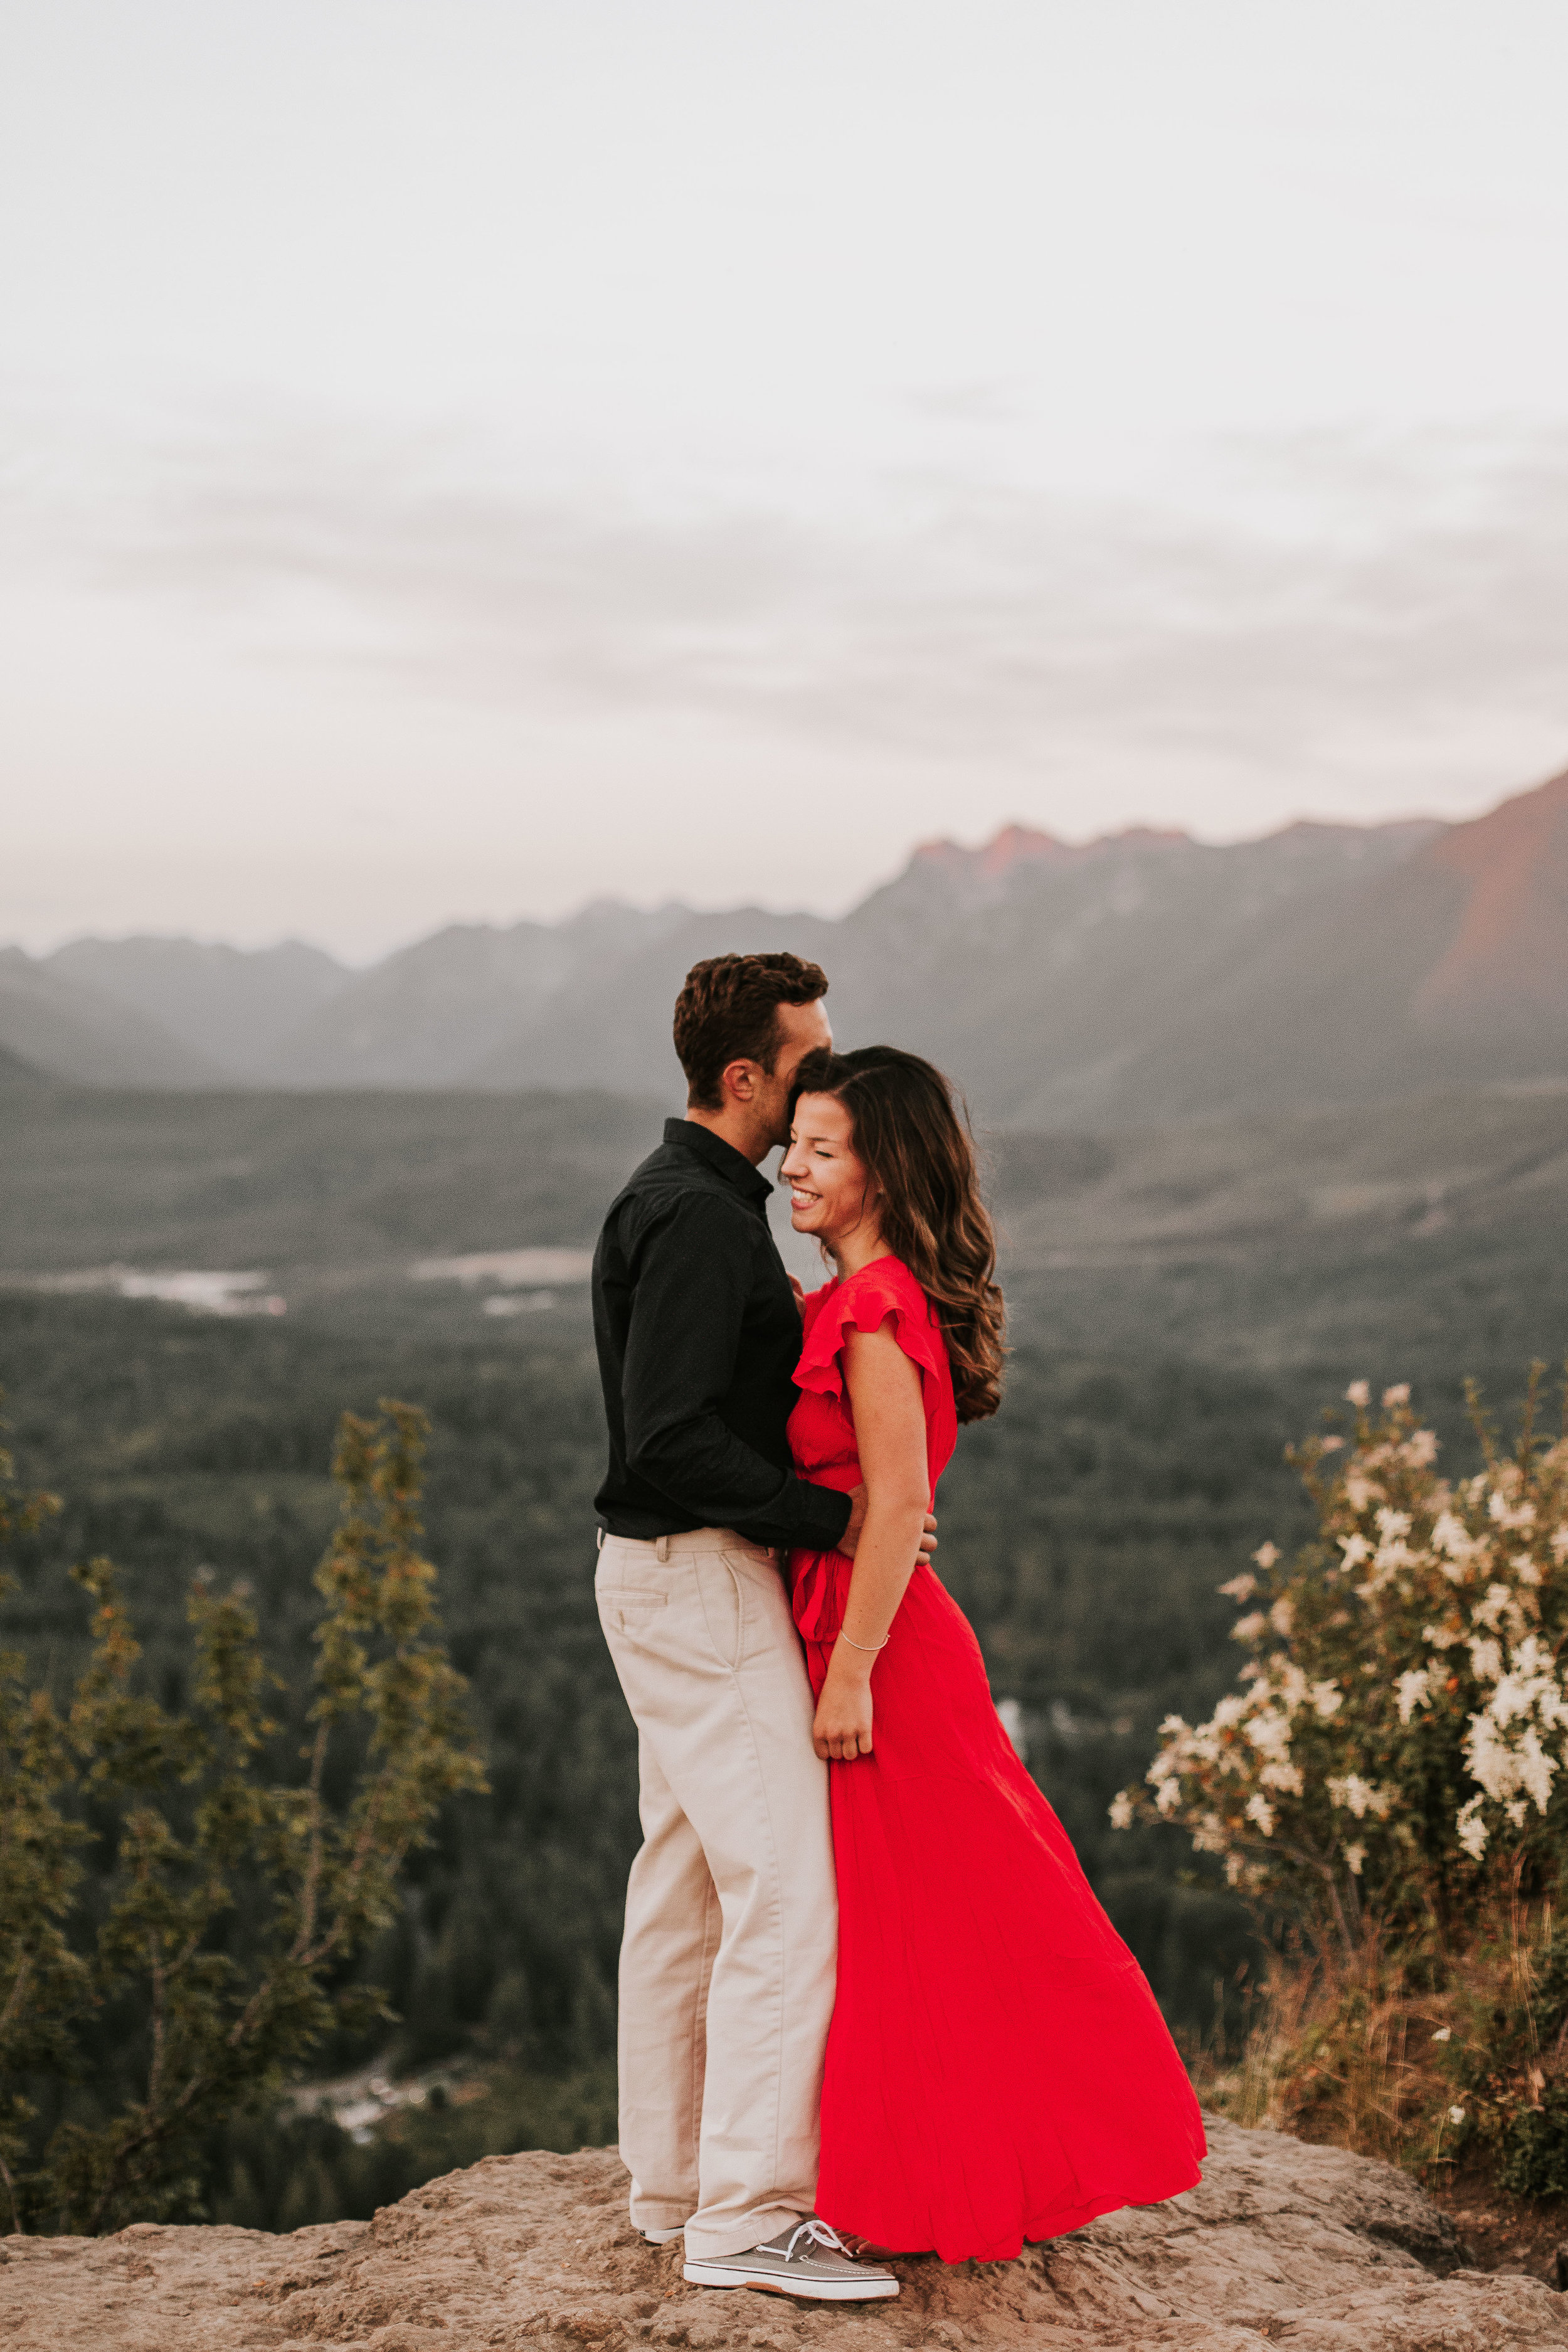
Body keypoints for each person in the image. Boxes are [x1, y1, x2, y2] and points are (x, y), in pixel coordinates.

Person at [779, 1044, 1207, 2263]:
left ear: (882, 1170)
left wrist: (852, 1668)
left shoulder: (870, 1311)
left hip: (882, 1652)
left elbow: (900, 1503)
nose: (792, 1169)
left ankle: (928, 2192)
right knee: (914, 1917)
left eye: (822, 1150)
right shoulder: (864, 1295)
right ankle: (926, 2179)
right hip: (862, 1629)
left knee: (922, 1924)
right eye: (792, 1144)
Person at [591, 953, 933, 2304]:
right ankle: (751, 2217)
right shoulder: (698, 1220)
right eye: (810, 1061)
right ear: (748, 1078)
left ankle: (672, 2187)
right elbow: (669, 1438)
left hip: (661, 1572)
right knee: (785, 1893)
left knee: (680, 1887)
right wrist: (831, 1520)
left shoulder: (685, 1198)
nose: (826, 1078)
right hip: (697, 1575)